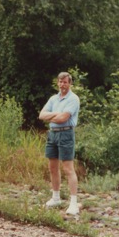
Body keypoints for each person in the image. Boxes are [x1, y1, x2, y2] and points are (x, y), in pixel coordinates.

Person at [39, 72, 80, 215]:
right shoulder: (53, 99)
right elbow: (41, 115)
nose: (63, 85)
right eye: (60, 82)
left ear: (70, 84)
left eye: (65, 82)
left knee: (68, 169)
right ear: (58, 83)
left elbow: (63, 118)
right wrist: (56, 115)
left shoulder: (73, 99)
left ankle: (74, 204)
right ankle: (56, 198)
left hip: (66, 134)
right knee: (52, 167)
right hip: (53, 134)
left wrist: (51, 116)